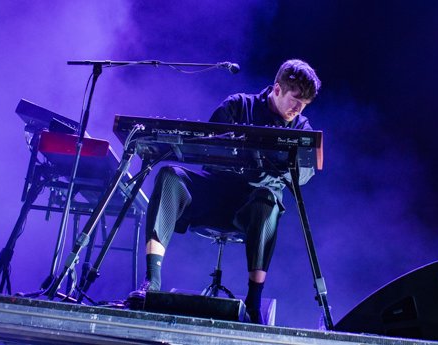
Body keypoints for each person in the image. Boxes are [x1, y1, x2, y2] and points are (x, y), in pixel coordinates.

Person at [128, 59, 321, 324]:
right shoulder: (237, 105)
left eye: (304, 105)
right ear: (277, 89)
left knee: (267, 199)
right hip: (215, 193)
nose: (298, 109)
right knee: (169, 175)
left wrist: (269, 168)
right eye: (295, 100)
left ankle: (253, 301)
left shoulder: (301, 127)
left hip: (252, 209)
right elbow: (207, 152)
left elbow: (306, 173)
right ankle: (152, 281)